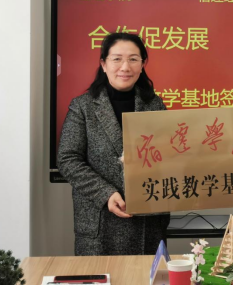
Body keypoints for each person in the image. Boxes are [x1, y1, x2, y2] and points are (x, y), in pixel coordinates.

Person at [58, 33, 170, 256]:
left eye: (133, 59)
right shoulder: (83, 107)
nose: (125, 67)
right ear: (103, 64)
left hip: (147, 222)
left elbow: (168, 155)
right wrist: (106, 193)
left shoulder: (155, 105)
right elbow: (67, 160)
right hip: (101, 221)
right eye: (117, 59)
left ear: (142, 65)